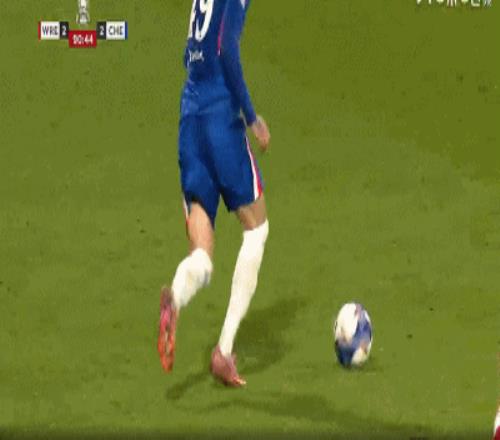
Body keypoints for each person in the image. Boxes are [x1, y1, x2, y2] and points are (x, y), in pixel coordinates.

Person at [157, 0, 270, 387]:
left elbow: (194, 49)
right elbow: (225, 50)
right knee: (256, 230)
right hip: (221, 120)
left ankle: (176, 295)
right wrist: (251, 116)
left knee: (202, 256)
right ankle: (223, 351)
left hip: (190, 118)